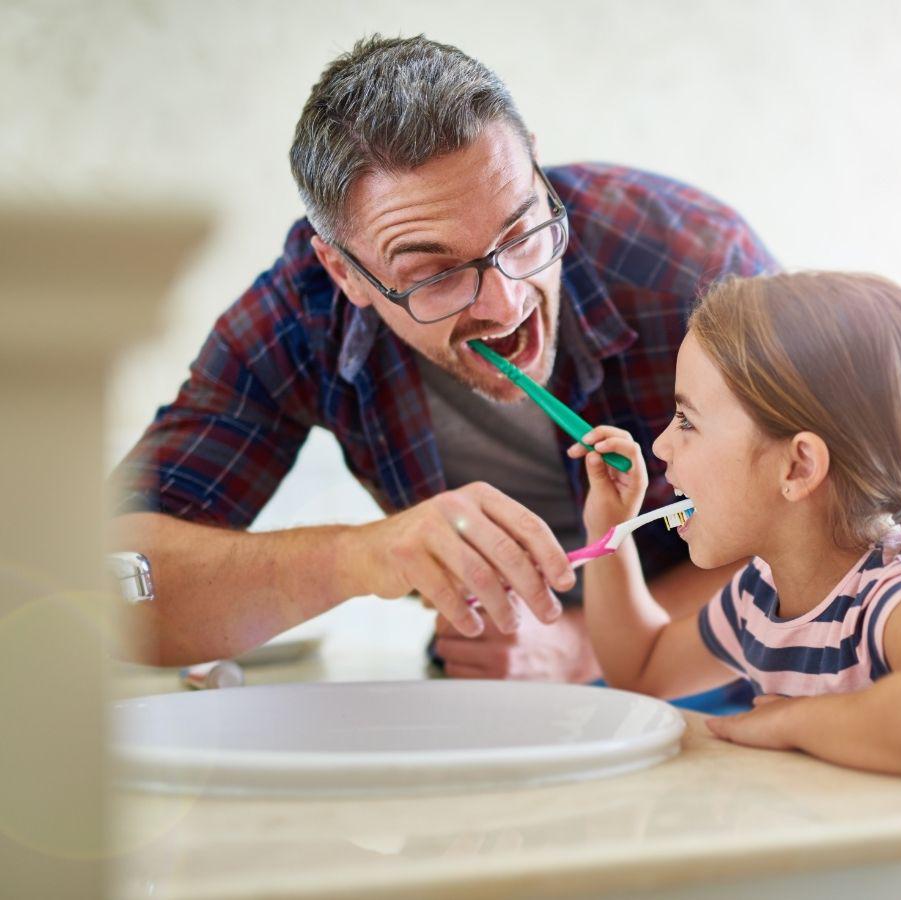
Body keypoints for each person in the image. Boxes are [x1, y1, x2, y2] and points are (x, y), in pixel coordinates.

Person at [109, 33, 775, 709]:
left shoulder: (689, 259)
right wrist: (360, 557)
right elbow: (109, 579)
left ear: (534, 168)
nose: (507, 304)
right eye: (435, 274)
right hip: (494, 706)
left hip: (735, 678)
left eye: (520, 233)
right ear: (345, 272)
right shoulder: (299, 320)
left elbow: (826, 526)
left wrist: (586, 646)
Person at [570, 271, 901, 782]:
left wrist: (790, 721)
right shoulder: (759, 597)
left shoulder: (900, 593)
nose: (660, 446)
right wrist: (608, 525)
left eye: (688, 421)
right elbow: (644, 667)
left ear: (798, 467)